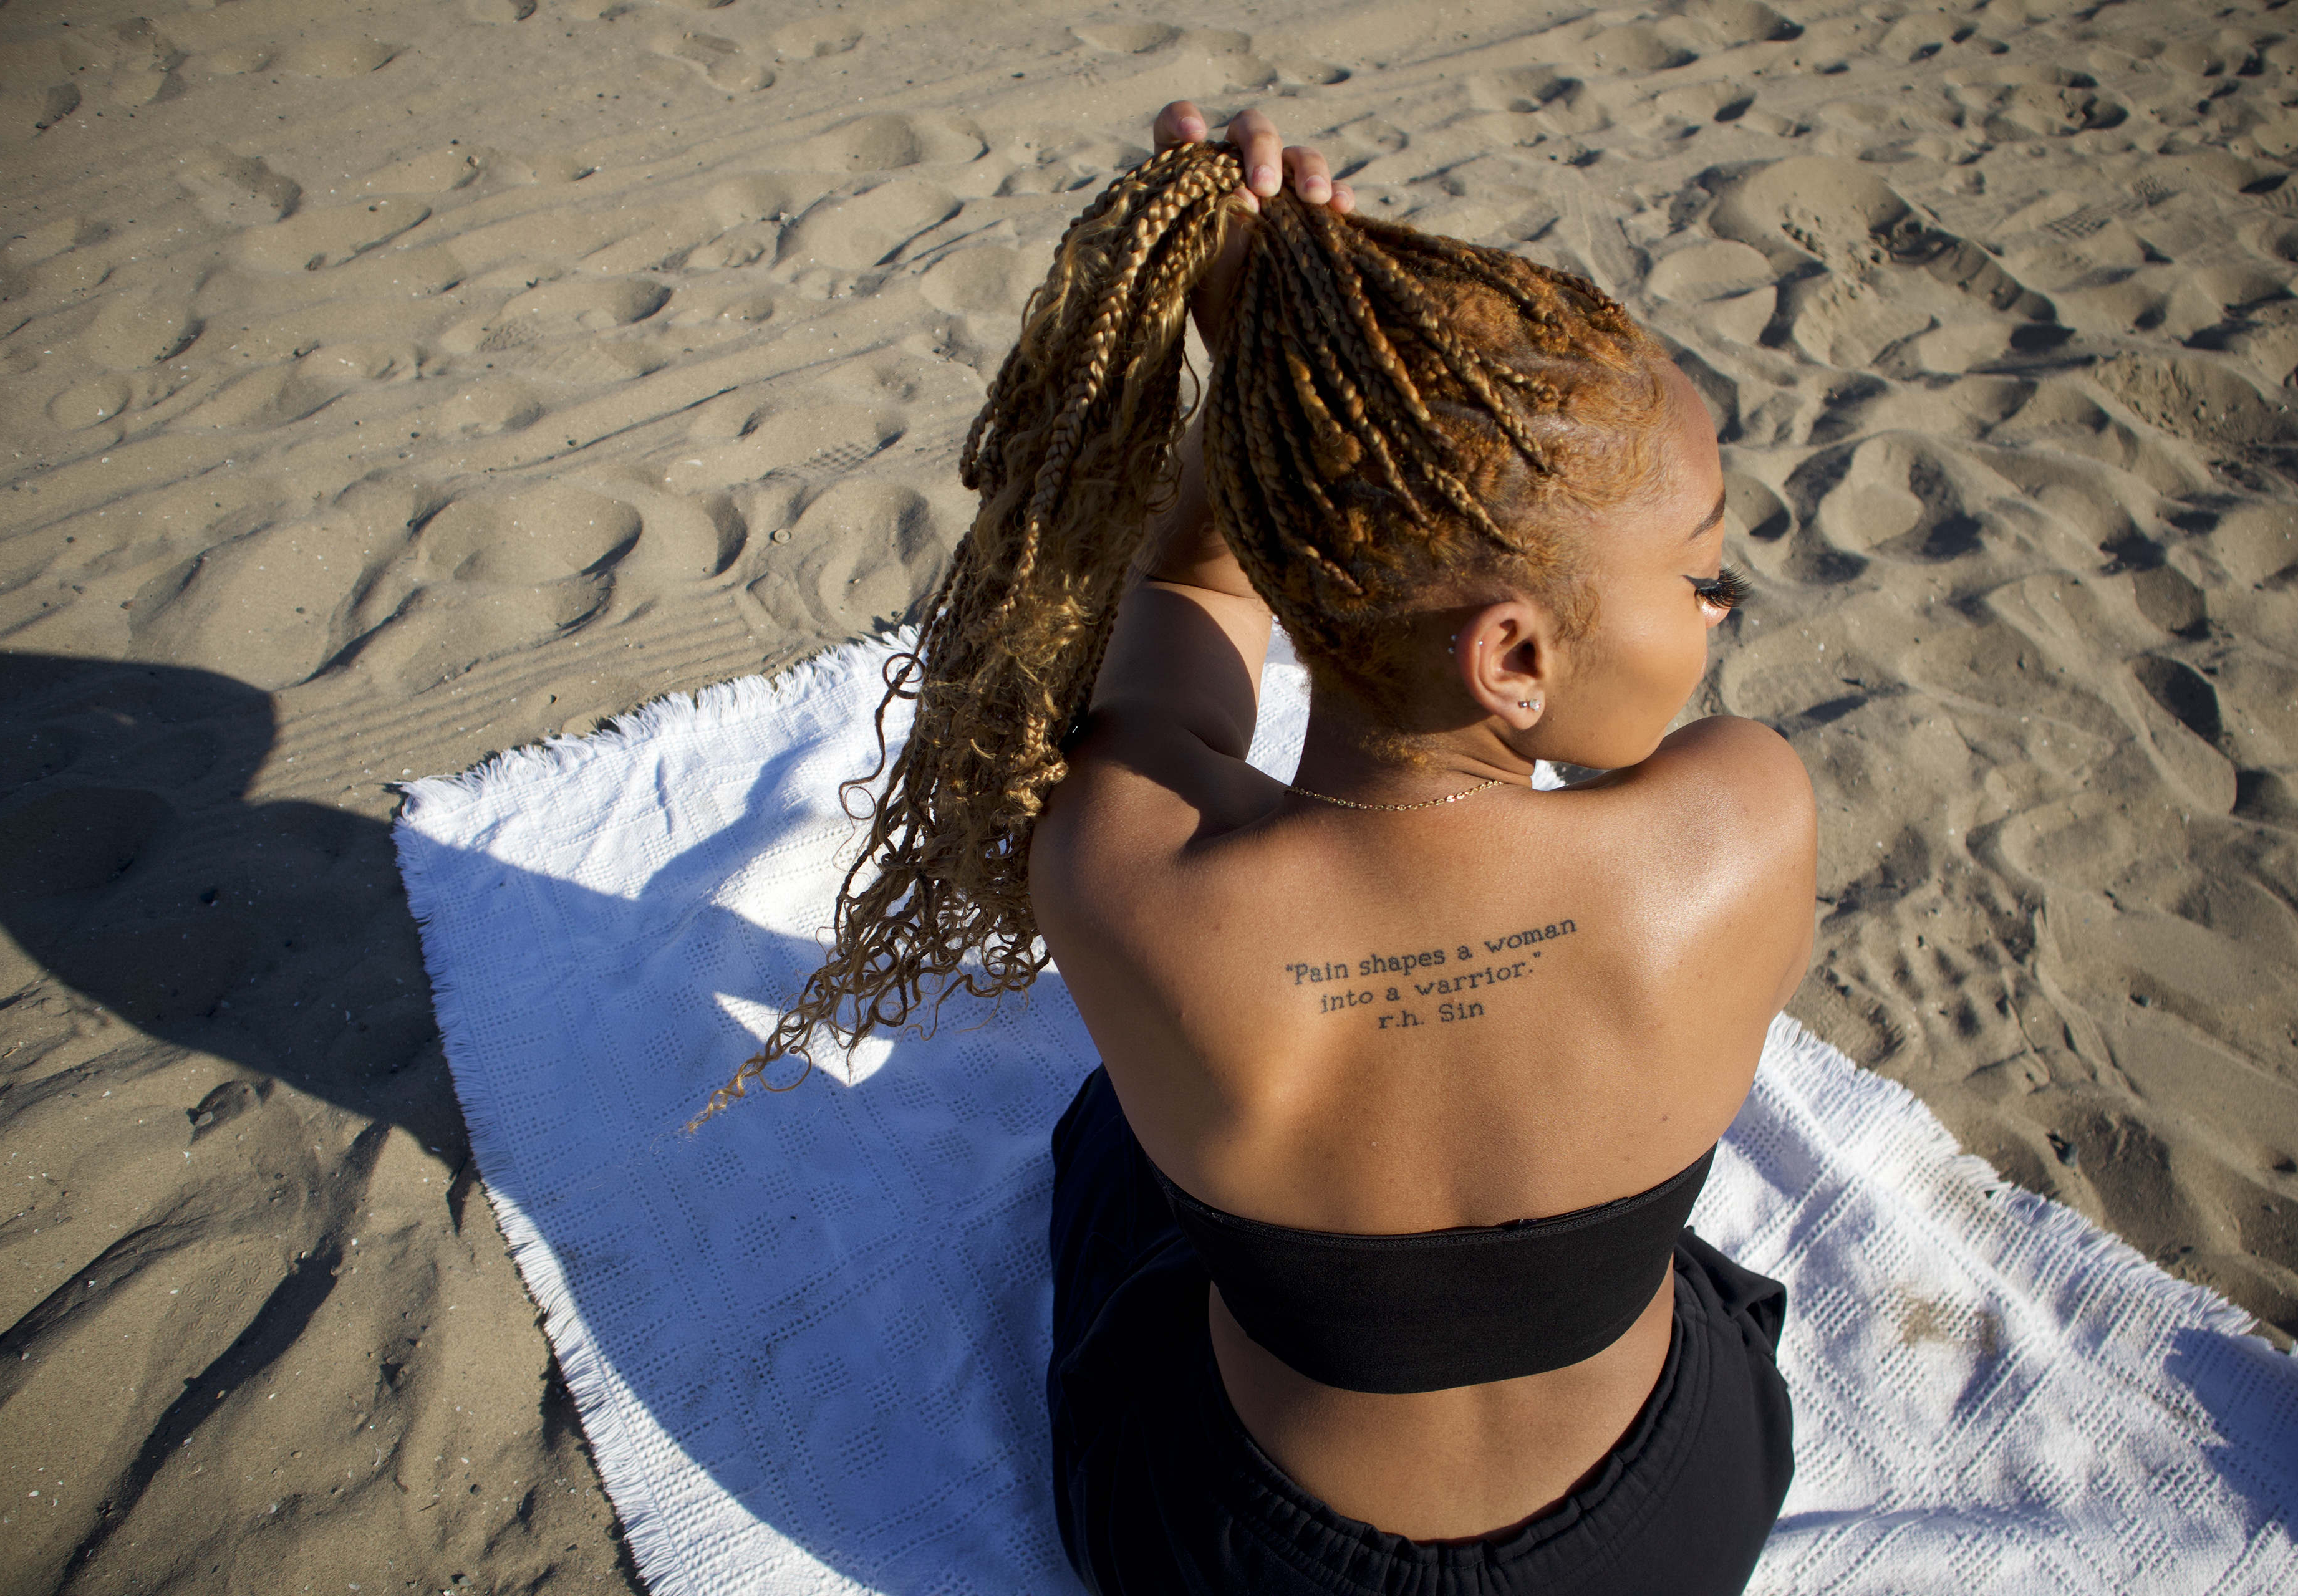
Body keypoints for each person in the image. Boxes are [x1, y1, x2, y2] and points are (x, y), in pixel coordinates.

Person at [705, 101, 1818, 1594]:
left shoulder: (1128, 881)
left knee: (1122, 1128)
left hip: (1248, 1565)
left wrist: (1267, 397)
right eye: (1702, 576)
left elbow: (1188, 616)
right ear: (1512, 658)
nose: (1718, 609)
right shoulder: (1743, 827)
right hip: (1656, 1541)